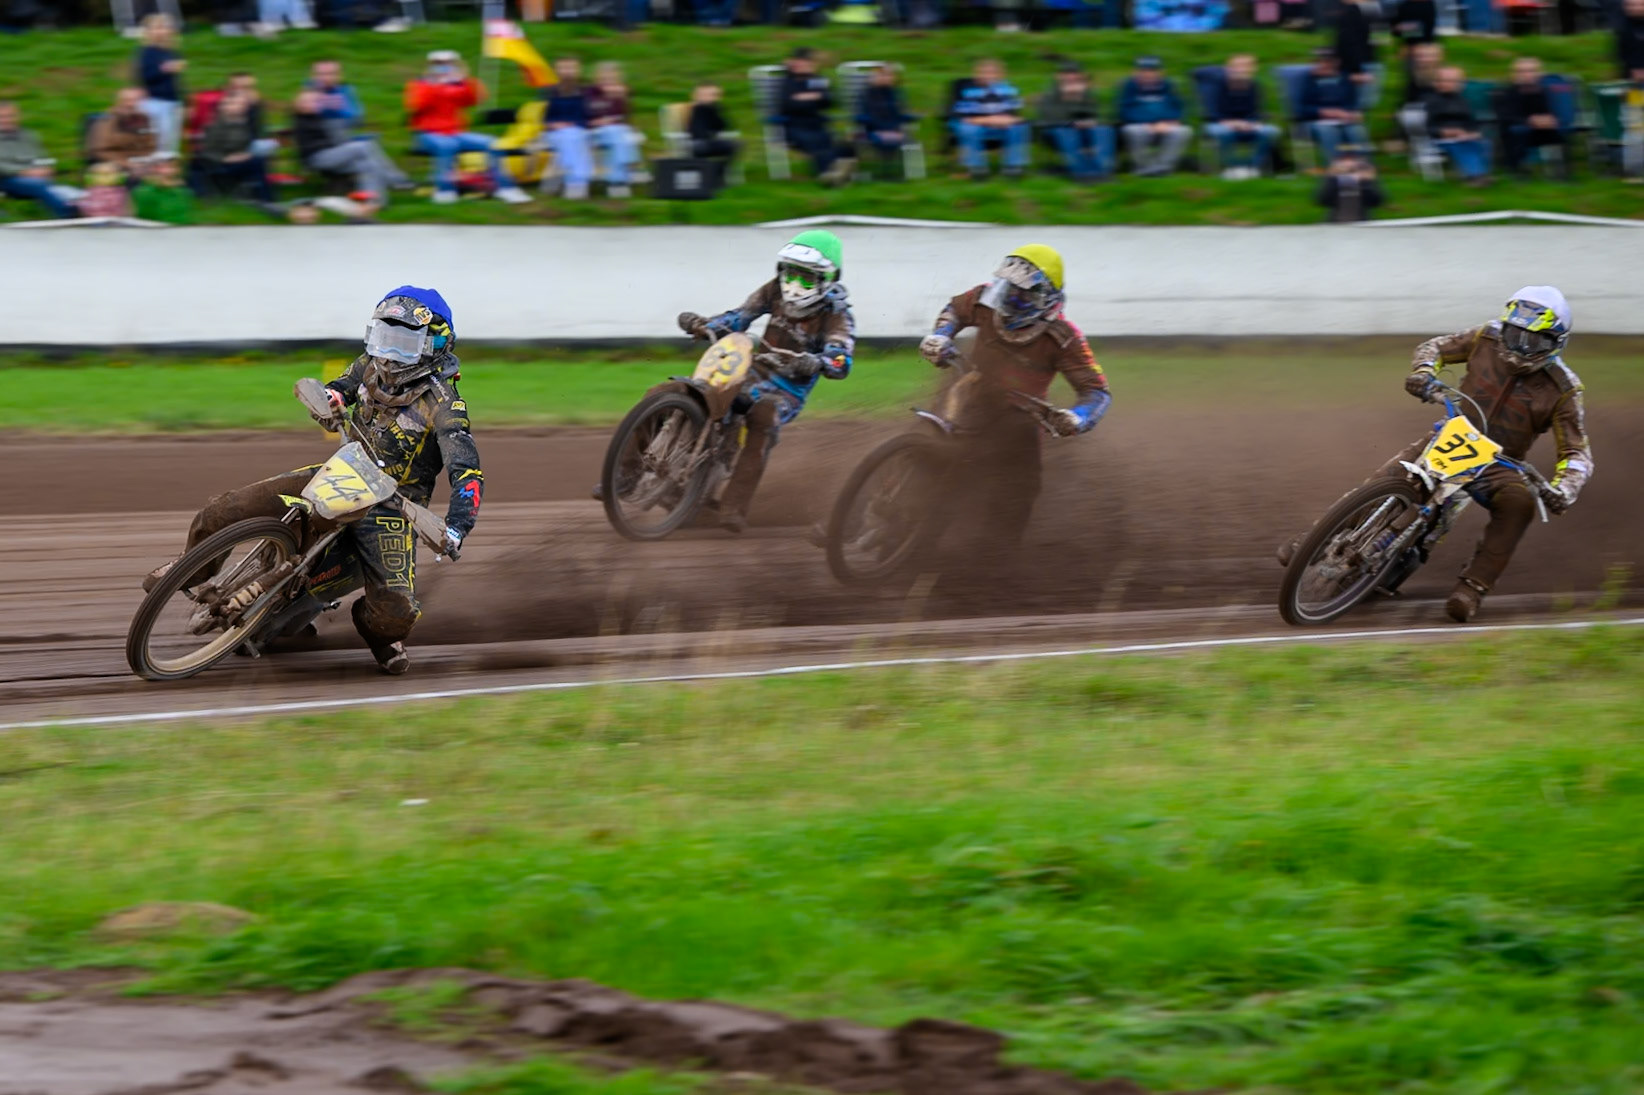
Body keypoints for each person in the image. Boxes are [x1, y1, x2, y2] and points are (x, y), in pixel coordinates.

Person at [144, 288, 484, 676]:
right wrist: (331, 397)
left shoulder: (446, 407)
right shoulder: (369, 366)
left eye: (403, 344)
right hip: (343, 473)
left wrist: (457, 528)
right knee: (225, 509)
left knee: (396, 612)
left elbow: (467, 473)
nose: (389, 354)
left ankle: (378, 631)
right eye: (384, 339)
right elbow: (341, 387)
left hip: (392, 508)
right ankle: (191, 570)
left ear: (434, 346)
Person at [1403, 289, 1590, 622]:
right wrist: (1423, 372)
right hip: (1454, 434)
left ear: (1555, 342)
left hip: (1501, 462)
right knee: (1397, 475)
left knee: (1520, 504)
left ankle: (1472, 588)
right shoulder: (1484, 337)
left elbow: (1577, 453)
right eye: (1514, 334)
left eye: (1533, 341)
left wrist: (1564, 489)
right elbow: (1434, 347)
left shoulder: (1564, 389)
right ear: (1505, 326)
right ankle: (1318, 537)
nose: (1519, 347)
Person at [916, 245, 1111, 548]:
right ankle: (885, 503)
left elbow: (1096, 391)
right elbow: (954, 310)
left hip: (1019, 415)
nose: (1012, 299)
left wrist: (1077, 418)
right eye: (1009, 288)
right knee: (923, 434)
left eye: (1024, 294)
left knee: (1021, 485)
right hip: (969, 389)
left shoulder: (1064, 337)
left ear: (1045, 297)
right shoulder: (984, 298)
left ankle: (996, 553)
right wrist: (941, 336)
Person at [671, 231, 855, 533]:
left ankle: (733, 507)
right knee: (684, 391)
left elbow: (841, 359)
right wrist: (706, 326)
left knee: (763, 417)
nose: (795, 285)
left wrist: (819, 361)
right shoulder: (773, 291)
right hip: (749, 369)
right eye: (790, 274)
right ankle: (627, 473)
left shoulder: (838, 316)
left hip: (787, 390)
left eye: (806, 279)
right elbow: (741, 316)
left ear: (827, 279)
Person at [405, 50, 531, 205]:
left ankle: (505, 187)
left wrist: (465, 79)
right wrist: (435, 85)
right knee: (447, 145)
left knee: (493, 143)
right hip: (426, 134)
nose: (443, 67)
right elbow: (416, 105)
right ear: (430, 66)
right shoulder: (419, 84)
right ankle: (444, 190)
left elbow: (477, 98)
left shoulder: (454, 85)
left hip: (455, 132)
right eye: (438, 64)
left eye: (447, 64)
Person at [293, 89, 412, 204]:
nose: (316, 104)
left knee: (366, 164)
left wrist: (341, 145)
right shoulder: (301, 120)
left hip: (330, 155)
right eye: (310, 101)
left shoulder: (316, 117)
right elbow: (312, 147)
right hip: (317, 158)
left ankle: (375, 202)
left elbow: (333, 137)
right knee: (362, 146)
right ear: (301, 105)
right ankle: (394, 180)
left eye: (317, 101)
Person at [780, 47, 854, 185]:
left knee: (839, 144)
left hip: (817, 123)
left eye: (807, 62)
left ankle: (836, 173)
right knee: (816, 144)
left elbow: (829, 100)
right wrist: (814, 97)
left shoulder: (818, 79)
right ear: (793, 64)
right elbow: (788, 104)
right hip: (795, 125)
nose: (803, 65)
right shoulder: (788, 81)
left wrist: (803, 98)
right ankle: (829, 174)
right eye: (800, 62)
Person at [952, 58, 1031, 180]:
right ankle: (977, 168)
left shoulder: (1009, 90)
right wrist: (990, 119)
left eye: (992, 72)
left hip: (1001, 126)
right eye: (984, 72)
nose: (988, 76)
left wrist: (1009, 120)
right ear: (976, 74)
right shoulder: (967, 90)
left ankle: (1013, 166)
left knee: (1019, 126)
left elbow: (1015, 115)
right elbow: (964, 118)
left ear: (1001, 75)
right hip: (977, 126)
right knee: (968, 129)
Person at [0, 101, 79, 219]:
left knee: (58, 187)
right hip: (6, 179)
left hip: (34, 176)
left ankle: (82, 208)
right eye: (2, 117)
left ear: (18, 116)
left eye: (10, 116)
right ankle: (67, 212)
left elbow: (42, 157)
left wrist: (46, 168)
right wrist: (24, 172)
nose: (7, 120)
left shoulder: (28, 135)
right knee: (38, 185)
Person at [193, 90, 276, 202]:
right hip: (219, 164)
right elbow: (206, 152)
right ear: (224, 106)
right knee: (257, 163)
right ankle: (265, 199)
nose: (240, 107)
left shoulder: (244, 122)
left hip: (239, 160)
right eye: (234, 103)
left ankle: (260, 196)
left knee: (260, 160)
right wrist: (227, 158)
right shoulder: (215, 126)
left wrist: (246, 154)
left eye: (242, 104)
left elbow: (246, 143)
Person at [1207, 54, 1279, 179]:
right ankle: (1232, 167)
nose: (1241, 69)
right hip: (1221, 123)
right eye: (1237, 66)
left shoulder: (1255, 86)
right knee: (1222, 133)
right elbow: (1213, 112)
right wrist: (1233, 123)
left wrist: (1253, 123)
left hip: (1248, 123)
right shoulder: (1217, 86)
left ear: (1253, 69)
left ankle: (1254, 167)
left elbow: (1256, 112)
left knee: (1270, 131)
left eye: (1246, 66)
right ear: (1228, 68)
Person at [1038, 63, 1113, 182]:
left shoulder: (1086, 94)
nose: (1071, 77)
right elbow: (1051, 118)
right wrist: (1066, 98)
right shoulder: (1050, 95)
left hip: (1085, 129)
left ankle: (1104, 170)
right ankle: (1082, 173)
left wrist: (1079, 99)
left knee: (1104, 130)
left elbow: (1095, 114)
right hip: (1057, 130)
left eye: (1074, 74)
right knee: (1067, 131)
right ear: (1059, 76)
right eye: (1067, 74)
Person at [1117, 56, 1190, 177]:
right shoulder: (1129, 86)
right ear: (1135, 72)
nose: (1148, 74)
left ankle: (1163, 167)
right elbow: (1125, 111)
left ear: (1161, 72)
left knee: (1184, 131)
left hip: (1165, 125)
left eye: (1152, 71)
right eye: (1143, 70)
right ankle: (1143, 166)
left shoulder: (1168, 85)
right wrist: (1150, 123)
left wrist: (1167, 122)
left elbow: (1178, 107)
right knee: (1132, 131)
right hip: (1140, 125)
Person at [1499, 58, 1567, 177]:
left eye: (1531, 71)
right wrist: (1530, 121)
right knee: (1515, 131)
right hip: (1519, 130)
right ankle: (1518, 170)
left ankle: (1561, 172)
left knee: (1561, 129)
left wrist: (1550, 120)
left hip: (1544, 129)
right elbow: (1506, 117)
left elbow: (1557, 111)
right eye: (1521, 71)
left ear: (1539, 73)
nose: (1526, 75)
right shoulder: (1506, 92)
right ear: (1514, 74)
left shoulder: (1546, 91)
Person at [1424, 65, 1492, 183]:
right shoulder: (1431, 102)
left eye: (1454, 81)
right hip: (1440, 139)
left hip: (1462, 137)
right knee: (1464, 146)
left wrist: (1473, 133)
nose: (1450, 84)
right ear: (1437, 82)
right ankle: (1474, 176)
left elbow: (1471, 122)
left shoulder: (1463, 101)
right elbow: (1427, 127)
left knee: (1482, 143)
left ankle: (1480, 174)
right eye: (1445, 80)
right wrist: (1445, 132)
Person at [540, 56, 596, 200]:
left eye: (571, 68)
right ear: (556, 70)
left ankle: (571, 181)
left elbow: (589, 117)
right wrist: (554, 124)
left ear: (578, 70)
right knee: (571, 137)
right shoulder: (549, 92)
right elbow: (544, 119)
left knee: (573, 137)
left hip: (580, 131)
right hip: (553, 134)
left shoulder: (586, 92)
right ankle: (577, 182)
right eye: (563, 68)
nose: (567, 72)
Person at [1300, 49, 1368, 166]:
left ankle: (1362, 166)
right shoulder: (1309, 80)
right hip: (1317, 121)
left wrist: (1353, 113)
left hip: (1344, 119)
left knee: (1354, 130)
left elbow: (1353, 103)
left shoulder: (1345, 79)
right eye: (1321, 62)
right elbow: (1301, 109)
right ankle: (1335, 166)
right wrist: (1323, 112)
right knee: (1328, 131)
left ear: (1336, 63)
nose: (1324, 65)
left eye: (1328, 62)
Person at [133, 12, 185, 154]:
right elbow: (145, 77)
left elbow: (178, 82)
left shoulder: (173, 52)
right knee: (156, 140)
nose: (161, 31)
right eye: (156, 28)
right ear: (148, 32)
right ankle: (153, 170)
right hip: (154, 102)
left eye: (164, 27)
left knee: (171, 142)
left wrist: (183, 101)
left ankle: (167, 170)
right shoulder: (146, 52)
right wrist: (165, 69)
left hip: (173, 102)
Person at [587, 61, 640, 199]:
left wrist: (624, 99)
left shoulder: (620, 93)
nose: (607, 80)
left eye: (611, 77)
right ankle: (623, 177)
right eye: (604, 77)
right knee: (617, 134)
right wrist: (596, 122)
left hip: (618, 132)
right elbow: (581, 117)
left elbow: (627, 120)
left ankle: (616, 180)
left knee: (617, 135)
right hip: (595, 133)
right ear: (597, 77)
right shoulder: (589, 93)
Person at [88, 88, 159, 177]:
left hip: (142, 164)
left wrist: (146, 163)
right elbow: (100, 150)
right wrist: (127, 164)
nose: (132, 104)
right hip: (114, 165)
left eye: (137, 100)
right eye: (127, 100)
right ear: (118, 102)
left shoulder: (145, 120)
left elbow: (151, 147)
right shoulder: (107, 121)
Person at [857, 64, 914, 171]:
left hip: (895, 131)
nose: (886, 78)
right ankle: (887, 169)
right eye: (882, 75)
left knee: (898, 139)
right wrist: (880, 130)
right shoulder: (866, 94)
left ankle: (891, 169)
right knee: (885, 140)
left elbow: (900, 114)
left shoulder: (897, 94)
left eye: (890, 75)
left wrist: (910, 118)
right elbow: (861, 116)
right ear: (874, 77)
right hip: (874, 131)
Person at [1315, 147, 1383, 221]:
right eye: (1344, 161)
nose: (1348, 164)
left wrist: (1365, 182)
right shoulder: (1333, 178)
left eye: (1352, 160)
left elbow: (1376, 202)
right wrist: (1332, 179)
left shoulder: (1365, 178)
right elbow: (1322, 200)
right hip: (1336, 221)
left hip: (1362, 221)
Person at [1398, 42, 1443, 145]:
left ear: (1439, 57)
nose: (1424, 59)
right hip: (1419, 113)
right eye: (1420, 56)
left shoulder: (1444, 75)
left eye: (1429, 56)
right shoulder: (1413, 78)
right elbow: (1409, 100)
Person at [133, 152, 197, 223]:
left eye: (173, 167)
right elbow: (144, 218)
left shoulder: (184, 192)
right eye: (163, 167)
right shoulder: (143, 192)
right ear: (153, 169)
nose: (168, 171)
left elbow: (187, 217)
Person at [687, 81, 740, 163]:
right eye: (703, 95)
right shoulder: (696, 109)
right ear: (695, 96)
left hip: (711, 142)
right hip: (695, 143)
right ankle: (712, 171)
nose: (708, 98)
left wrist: (717, 109)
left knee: (735, 145)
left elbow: (723, 126)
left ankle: (718, 172)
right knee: (701, 148)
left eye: (713, 95)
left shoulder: (715, 108)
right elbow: (697, 129)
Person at [1622, 0, 1644, 83]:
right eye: (1632, 5)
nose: (1636, 8)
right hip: (1632, 78)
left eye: (1641, 5)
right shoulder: (1624, 28)